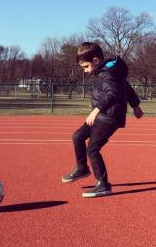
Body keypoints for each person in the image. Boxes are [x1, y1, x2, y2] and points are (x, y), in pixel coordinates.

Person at [61, 42, 143, 197]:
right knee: (77, 136)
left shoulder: (108, 74)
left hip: (110, 117)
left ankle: (103, 184)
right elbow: (126, 87)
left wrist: (96, 110)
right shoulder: (106, 71)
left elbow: (113, 93)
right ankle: (82, 168)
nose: (85, 71)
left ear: (96, 60)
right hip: (102, 115)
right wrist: (136, 105)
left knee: (92, 149)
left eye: (86, 66)